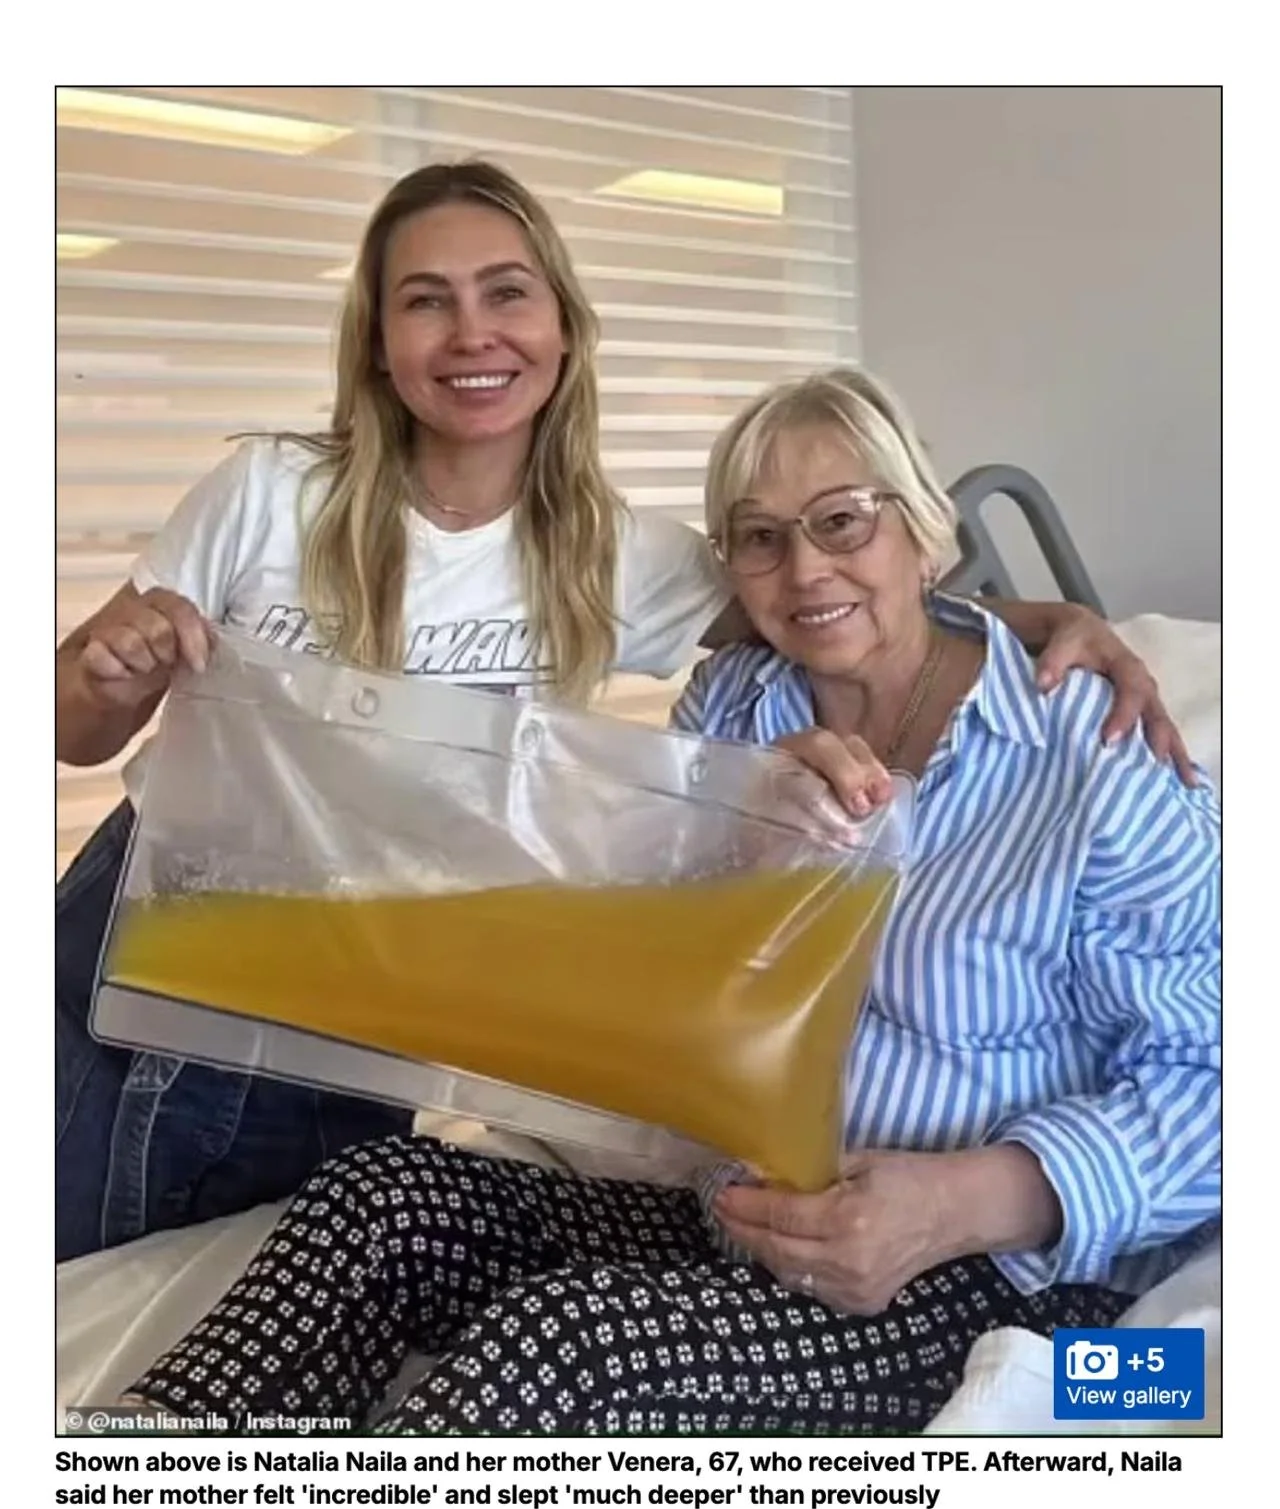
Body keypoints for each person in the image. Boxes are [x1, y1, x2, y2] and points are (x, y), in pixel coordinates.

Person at [56, 158, 1187, 1264]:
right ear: (378, 346)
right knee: (68, 1260)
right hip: (164, 920)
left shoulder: (615, 555)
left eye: (506, 292)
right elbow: (74, 727)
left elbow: (833, 590)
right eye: (424, 302)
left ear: (560, 327)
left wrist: (1043, 623)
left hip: (373, 979)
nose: (471, 334)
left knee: (254, 1268)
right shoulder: (268, 492)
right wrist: (109, 673)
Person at [118, 365, 1220, 1438]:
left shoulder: (1098, 757)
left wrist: (965, 1200)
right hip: (734, 1213)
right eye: (758, 536)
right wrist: (738, 826)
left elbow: (1220, 1078)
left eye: (842, 521)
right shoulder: (737, 705)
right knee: (377, 1200)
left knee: (572, 1341)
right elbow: (652, 953)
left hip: (973, 1270)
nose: (802, 568)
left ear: (924, 530)